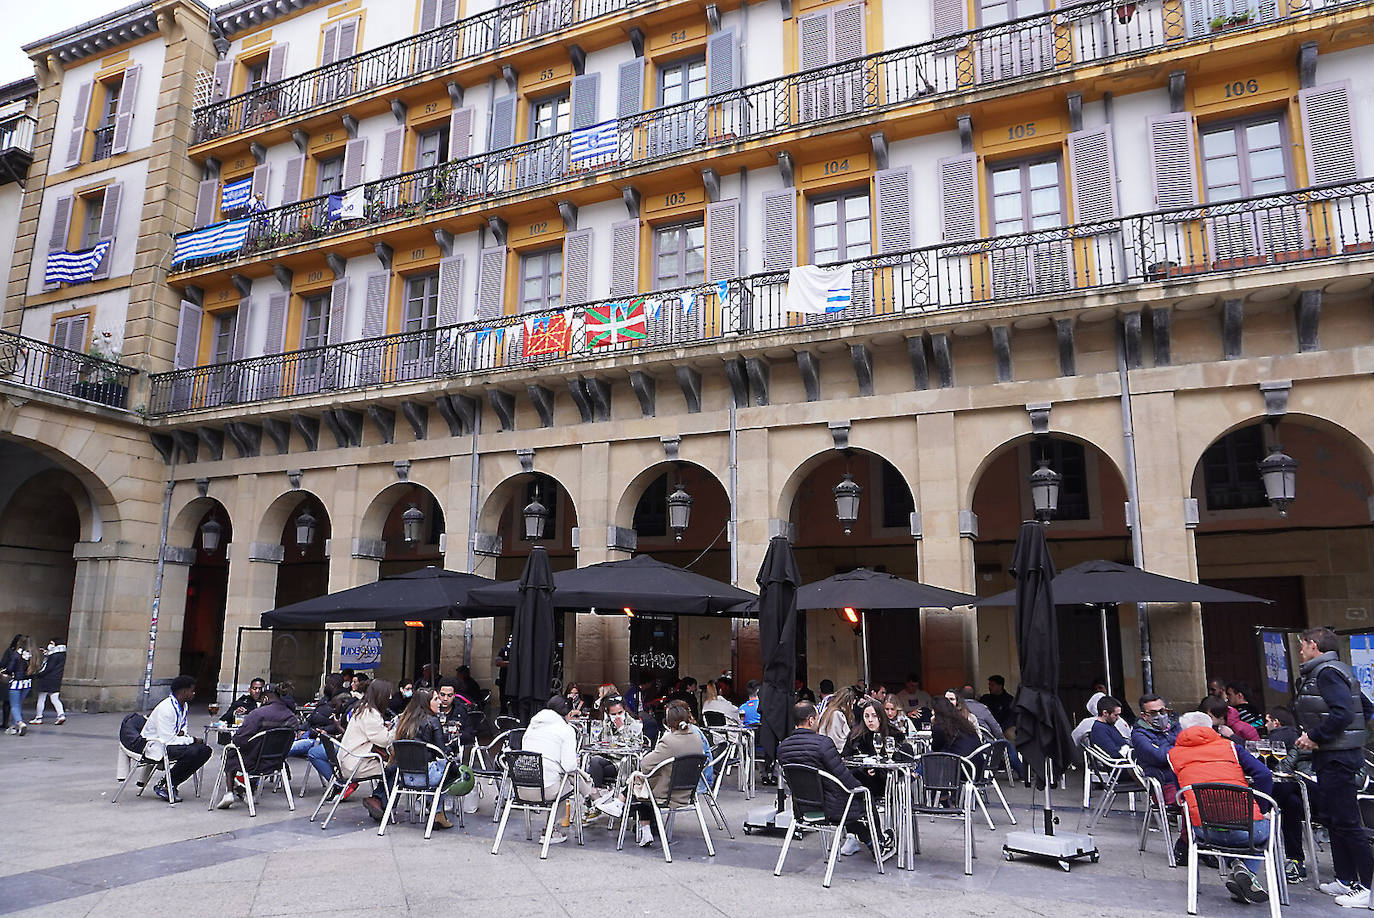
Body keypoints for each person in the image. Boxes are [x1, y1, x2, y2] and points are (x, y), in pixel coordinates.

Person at [1294, 626, 1374, 905]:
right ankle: (1345, 879)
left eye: (1302, 645)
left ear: (1313, 645)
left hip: (1337, 756)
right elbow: (1365, 707)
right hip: (1335, 753)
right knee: (1335, 819)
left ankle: (1368, 887)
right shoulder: (1335, 670)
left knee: (1348, 821)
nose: (1300, 651)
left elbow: (1343, 712)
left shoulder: (1327, 672)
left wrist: (1316, 737)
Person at [1168, 710, 1274, 905]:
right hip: (1248, 830)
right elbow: (1264, 775)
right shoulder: (1231, 747)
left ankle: (1238, 871)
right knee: (1264, 830)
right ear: (1211, 727)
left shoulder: (1173, 755)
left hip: (1204, 831)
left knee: (1225, 831)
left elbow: (1181, 795)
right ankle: (1245, 872)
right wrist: (1263, 808)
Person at [777, 701, 895, 860]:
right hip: (831, 808)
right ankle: (879, 842)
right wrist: (860, 788)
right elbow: (844, 776)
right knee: (863, 798)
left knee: (850, 804)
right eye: (818, 718)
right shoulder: (823, 743)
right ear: (811, 720)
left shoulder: (783, 747)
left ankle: (871, 842)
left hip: (802, 809)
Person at [521, 695, 599, 843]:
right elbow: (569, 766)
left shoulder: (533, 725)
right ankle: (551, 829)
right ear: (569, 714)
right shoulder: (566, 730)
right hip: (546, 789)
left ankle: (593, 794)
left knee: (565, 776)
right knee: (568, 780)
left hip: (521, 787)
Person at [378, 687, 455, 829]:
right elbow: (441, 752)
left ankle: (435, 809)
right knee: (450, 769)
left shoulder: (404, 720)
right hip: (427, 776)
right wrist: (451, 750)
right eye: (436, 699)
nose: (440, 702)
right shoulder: (433, 721)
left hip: (403, 776)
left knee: (445, 769)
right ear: (426, 702)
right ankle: (437, 811)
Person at [217, 681, 300, 809]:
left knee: (231, 751)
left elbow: (240, 739)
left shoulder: (258, 714)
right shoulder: (291, 717)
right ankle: (244, 789)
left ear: (265, 698)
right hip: (277, 763)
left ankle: (229, 792)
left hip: (253, 763)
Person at [141, 675, 214, 801]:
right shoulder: (166, 708)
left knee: (205, 750)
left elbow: (182, 730)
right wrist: (192, 740)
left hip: (171, 741)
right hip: (156, 745)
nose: (194, 693)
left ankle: (171, 783)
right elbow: (168, 740)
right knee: (193, 751)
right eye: (192, 690)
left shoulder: (184, 706)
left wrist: (184, 737)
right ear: (183, 692)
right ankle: (165, 785)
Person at [340, 679, 396, 822]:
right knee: (397, 769)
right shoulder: (371, 713)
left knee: (392, 768)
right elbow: (384, 740)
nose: (389, 699)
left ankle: (377, 799)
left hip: (348, 759)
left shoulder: (362, 709)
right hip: (356, 764)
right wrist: (396, 730)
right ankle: (380, 802)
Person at [1131, 693, 1181, 800]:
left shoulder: (1177, 725)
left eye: (1162, 711)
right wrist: (1182, 749)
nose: (1159, 715)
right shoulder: (1139, 735)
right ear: (1144, 716)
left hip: (1186, 776)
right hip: (1165, 782)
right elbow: (1158, 757)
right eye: (1153, 713)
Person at [2, 635, 37, 735]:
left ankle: (20, 723)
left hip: (16, 682)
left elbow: (10, 668)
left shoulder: (16, 654)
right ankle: (13, 727)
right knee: (18, 705)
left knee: (14, 705)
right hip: (27, 683)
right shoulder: (33, 654)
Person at [31, 638, 67, 726]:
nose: (50, 645)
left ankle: (38, 717)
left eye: (51, 643)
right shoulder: (62, 654)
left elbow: (49, 667)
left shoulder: (53, 656)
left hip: (47, 679)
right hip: (56, 679)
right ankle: (61, 715)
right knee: (55, 698)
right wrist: (47, 653)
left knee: (41, 698)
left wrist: (38, 675)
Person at [818, 685, 860, 753]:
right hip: (833, 752)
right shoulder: (836, 714)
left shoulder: (829, 710)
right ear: (848, 702)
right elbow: (837, 741)